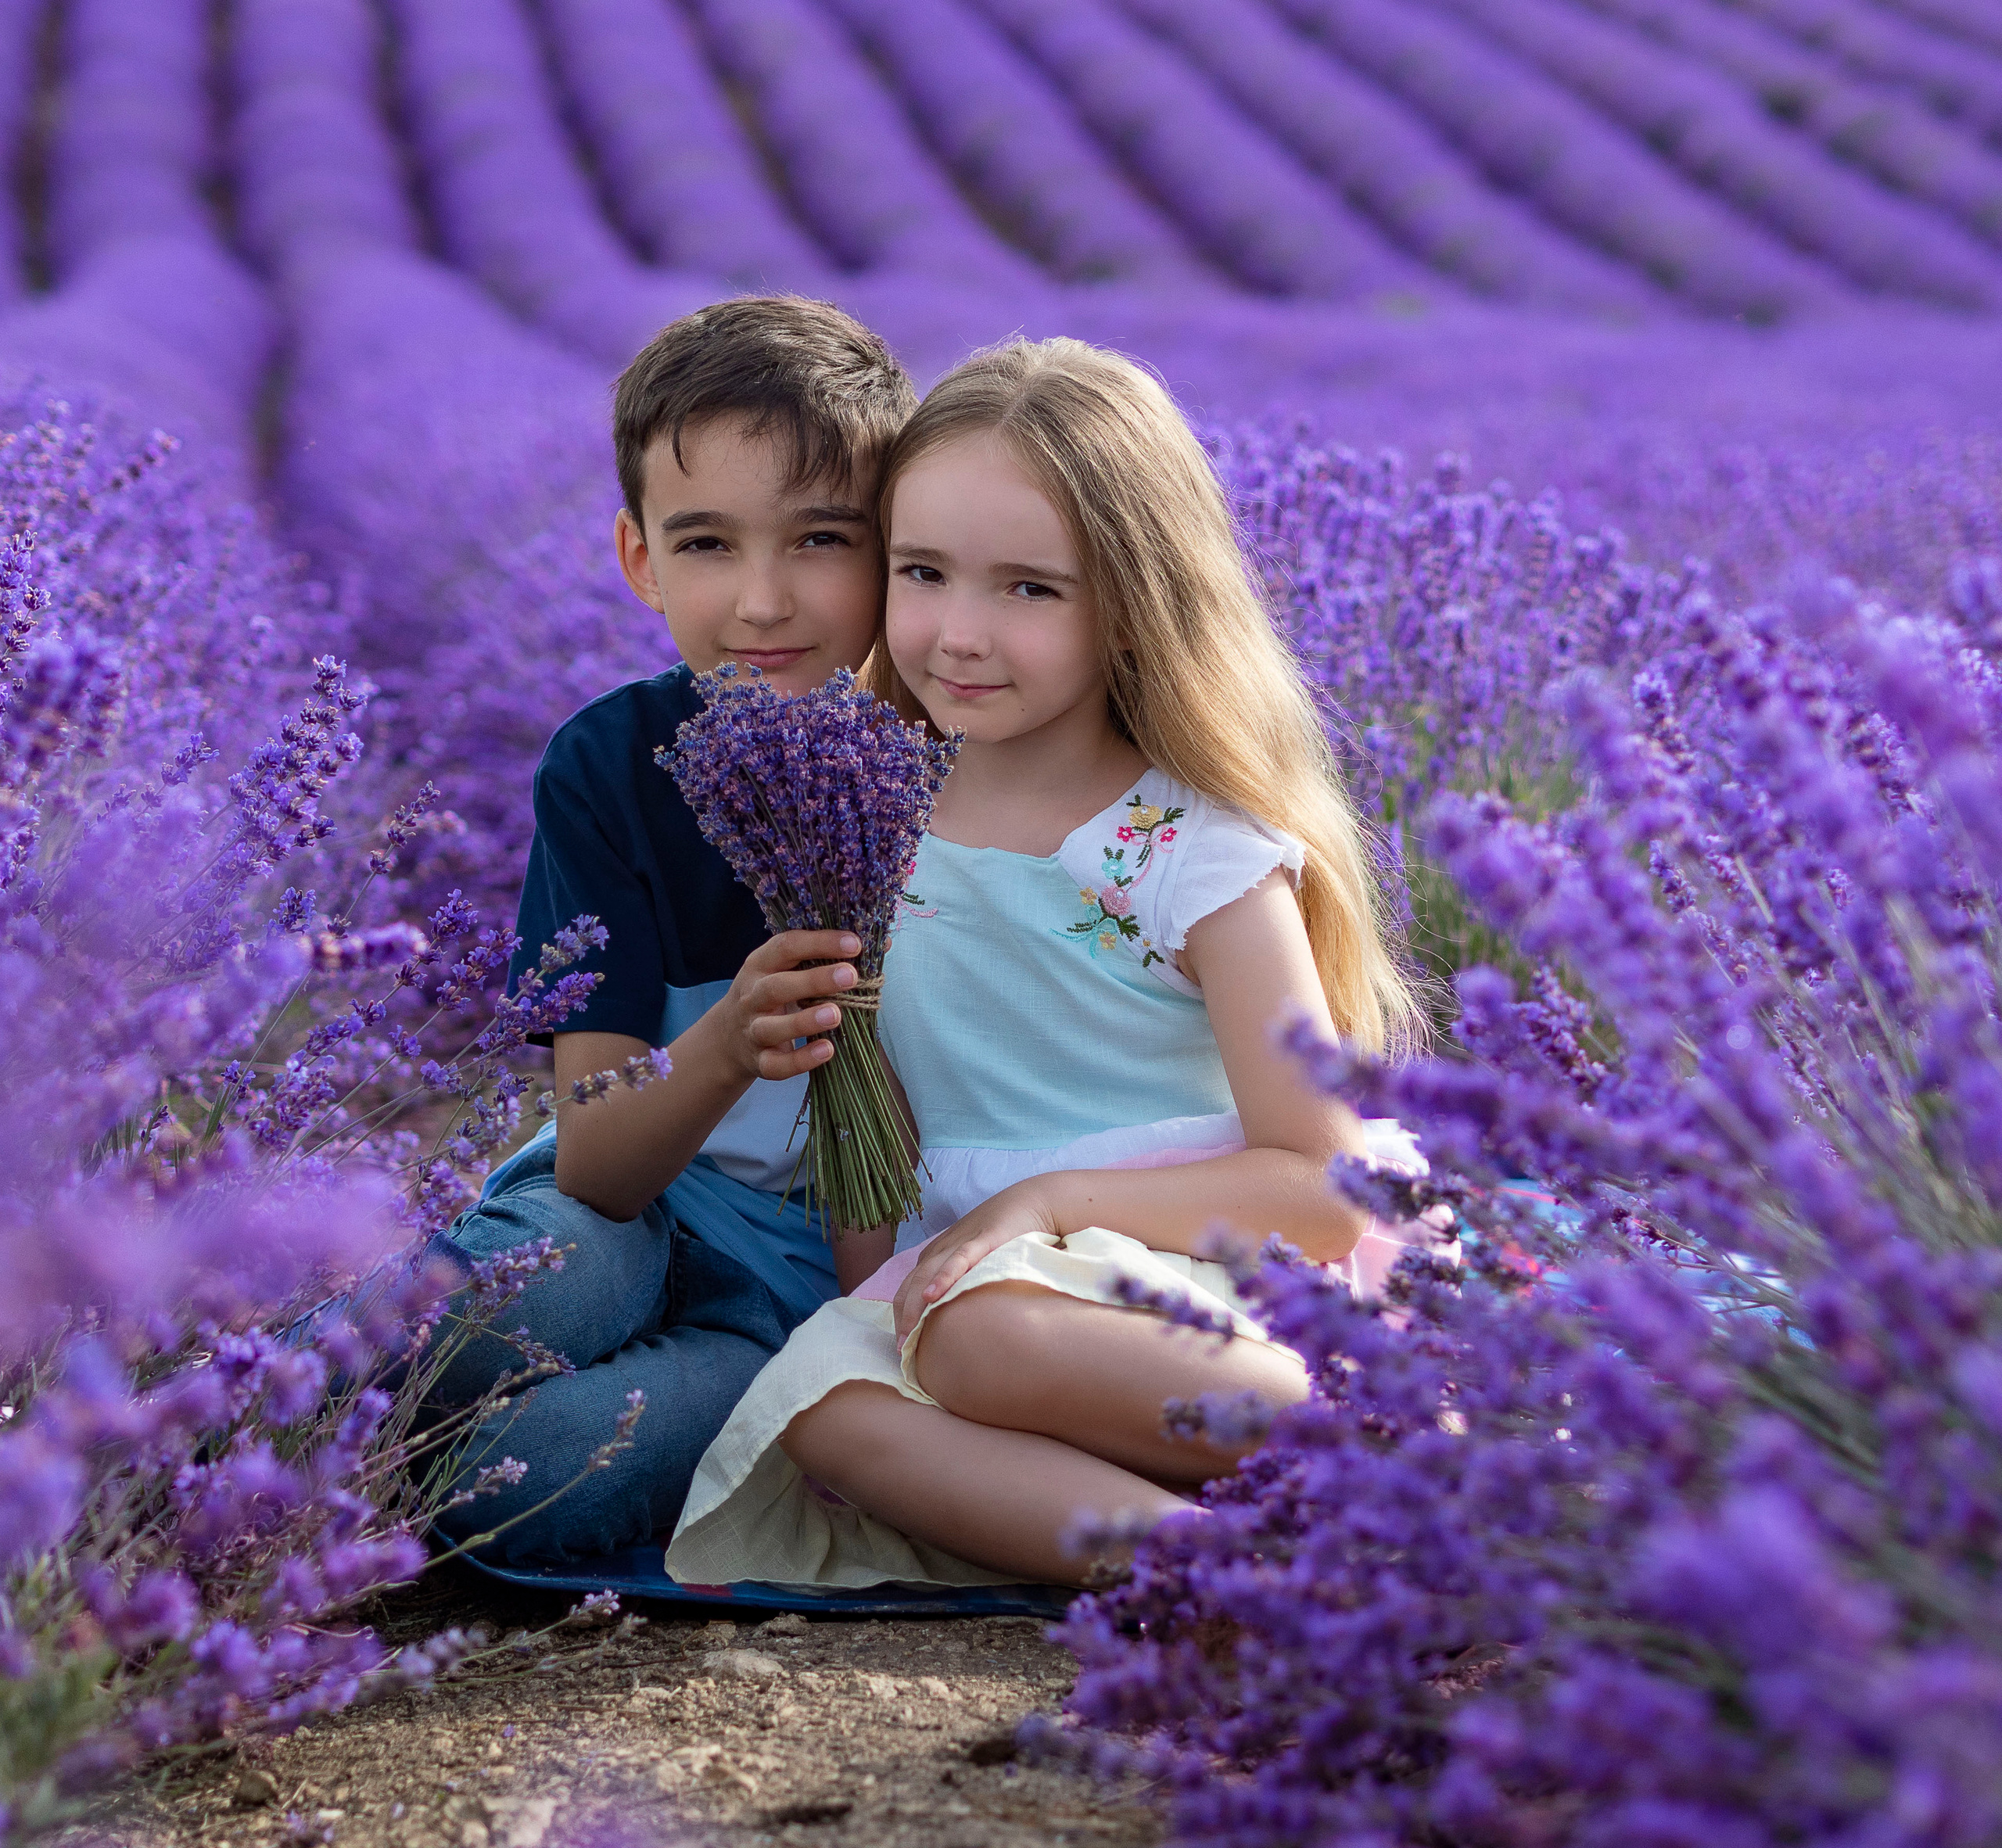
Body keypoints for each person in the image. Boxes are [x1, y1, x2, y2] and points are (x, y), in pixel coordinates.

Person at [666, 336, 1433, 1591]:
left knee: (981, 1347)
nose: (959, 633)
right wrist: (873, 1303)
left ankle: (1393, 1459)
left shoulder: (1190, 847)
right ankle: (1226, 1586)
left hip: (1210, 1270)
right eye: (923, 573)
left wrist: (1046, 1207)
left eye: (1030, 589)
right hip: (982, 1279)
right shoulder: (865, 817)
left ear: (1136, 600)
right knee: (822, 1410)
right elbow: (875, 1109)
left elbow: (1325, 1181)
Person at [427, 297, 917, 1566]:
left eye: (822, 539)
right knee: (510, 1306)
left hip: (796, 1309)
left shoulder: (954, 764)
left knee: (524, 1486)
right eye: (706, 544)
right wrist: (724, 1045)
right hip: (633, 1210)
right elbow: (596, 1162)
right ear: (641, 561)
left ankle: (310, 1497)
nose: (763, 600)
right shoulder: (611, 767)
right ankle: (177, 1442)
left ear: (898, 550)